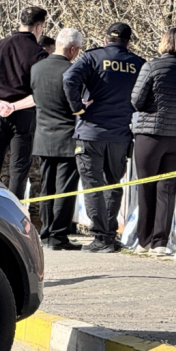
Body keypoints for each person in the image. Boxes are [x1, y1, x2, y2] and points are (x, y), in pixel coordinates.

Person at [63, 22, 145, 253]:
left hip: (90, 132)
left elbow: (69, 79)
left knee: (92, 185)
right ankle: (109, 235)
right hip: (120, 133)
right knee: (112, 183)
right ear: (128, 42)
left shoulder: (92, 58)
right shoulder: (137, 63)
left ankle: (100, 237)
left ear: (105, 38)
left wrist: (78, 107)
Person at [131, 27, 176, 256]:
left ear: (164, 43)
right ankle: (161, 242)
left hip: (149, 134)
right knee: (166, 189)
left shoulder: (151, 66)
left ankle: (144, 240)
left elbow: (137, 100)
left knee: (146, 186)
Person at [0, 7, 48, 198]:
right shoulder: (39, 54)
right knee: (19, 168)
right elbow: (40, 93)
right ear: (39, 27)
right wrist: (14, 106)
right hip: (23, 114)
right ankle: (14, 211)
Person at [31, 28, 85, 251]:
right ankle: (59, 236)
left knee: (46, 187)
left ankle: (45, 233)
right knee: (65, 189)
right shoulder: (72, 71)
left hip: (43, 135)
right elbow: (76, 106)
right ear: (72, 49)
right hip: (67, 137)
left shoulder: (36, 69)